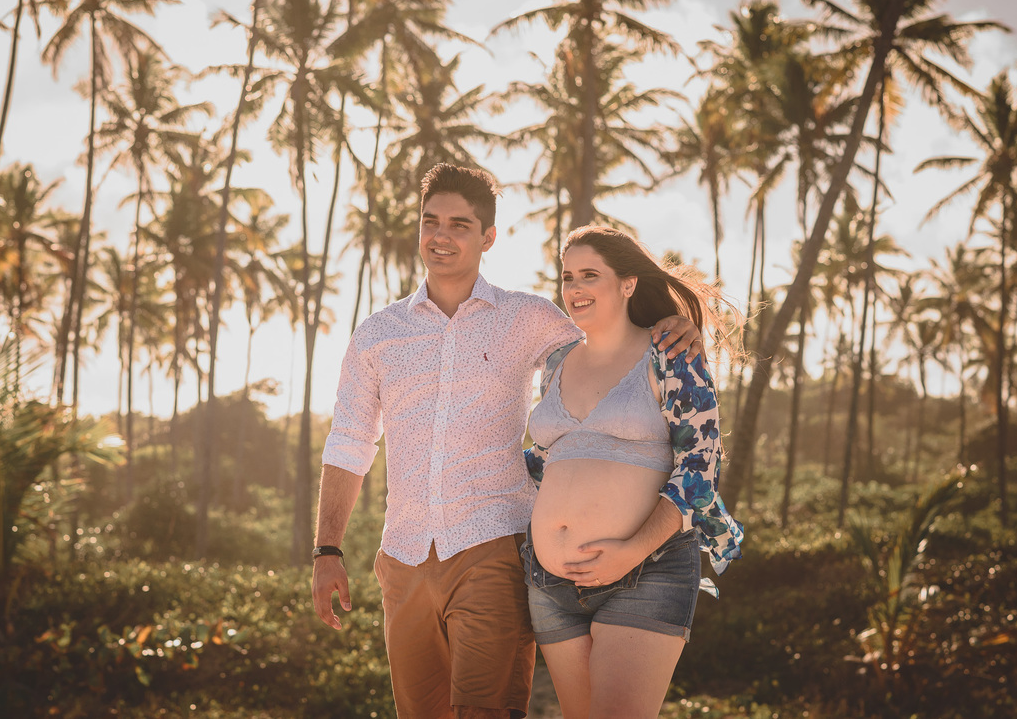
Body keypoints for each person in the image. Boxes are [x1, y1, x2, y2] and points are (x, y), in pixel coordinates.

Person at [310, 163, 703, 718]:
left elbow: (613, 343)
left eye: (460, 225)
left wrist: (675, 325)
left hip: (492, 545)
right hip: (401, 555)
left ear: (488, 237)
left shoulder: (529, 317)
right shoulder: (378, 334)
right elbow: (350, 442)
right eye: (430, 221)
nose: (441, 236)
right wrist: (327, 549)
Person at [521, 225, 744, 718]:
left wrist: (631, 551)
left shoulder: (671, 353)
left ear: (627, 283)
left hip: (647, 569)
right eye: (568, 277)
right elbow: (547, 462)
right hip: (550, 584)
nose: (575, 288)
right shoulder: (557, 362)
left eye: (590, 275)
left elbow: (699, 466)